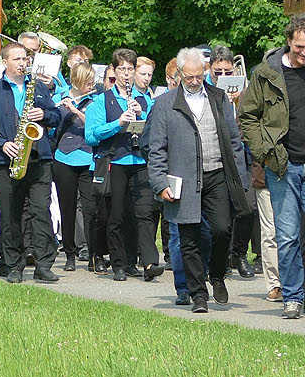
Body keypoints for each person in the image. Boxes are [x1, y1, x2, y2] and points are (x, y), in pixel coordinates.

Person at [239, 14, 305, 320]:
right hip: (281, 165)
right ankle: (292, 296)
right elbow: (248, 117)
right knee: (286, 236)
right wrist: (264, 152)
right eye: (300, 46)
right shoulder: (266, 72)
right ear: (289, 41)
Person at [147, 47, 250, 313]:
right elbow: (156, 148)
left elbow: (234, 142)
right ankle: (198, 294)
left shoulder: (218, 98)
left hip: (217, 174)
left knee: (222, 229)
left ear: (204, 72)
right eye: (189, 77)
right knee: (189, 238)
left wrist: (240, 178)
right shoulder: (165, 104)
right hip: (183, 179)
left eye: (198, 76)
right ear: (179, 74)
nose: (194, 82)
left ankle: (216, 274)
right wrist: (160, 183)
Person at [0, 38, 63, 283]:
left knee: (40, 212)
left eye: (25, 59)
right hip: (6, 161)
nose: (22, 63)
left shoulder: (38, 87)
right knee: (11, 215)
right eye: (17, 59)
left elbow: (57, 116)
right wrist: (2, 143)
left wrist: (45, 114)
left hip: (38, 159)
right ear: (4, 62)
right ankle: (13, 265)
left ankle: (43, 264)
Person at [86, 48, 159, 281]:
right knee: (116, 215)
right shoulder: (102, 100)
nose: (127, 75)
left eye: (130, 69)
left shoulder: (144, 99)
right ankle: (118, 263)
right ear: (114, 71)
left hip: (140, 161)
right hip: (115, 161)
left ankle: (147, 262)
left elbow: (156, 131)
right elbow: (92, 135)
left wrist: (143, 116)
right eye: (122, 69)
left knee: (145, 214)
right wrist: (118, 123)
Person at [210, 47, 258, 279]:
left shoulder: (245, 93)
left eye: (228, 72)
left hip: (243, 157)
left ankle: (239, 253)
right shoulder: (205, 93)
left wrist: (238, 104)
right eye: (217, 71)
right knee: (222, 213)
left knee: (248, 208)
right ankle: (223, 256)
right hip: (217, 159)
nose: (222, 76)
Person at [50, 60, 102, 273]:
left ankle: (94, 254)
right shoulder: (60, 98)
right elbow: (51, 126)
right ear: (78, 81)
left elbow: (93, 125)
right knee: (67, 207)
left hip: (88, 159)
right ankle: (70, 253)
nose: (91, 85)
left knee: (91, 209)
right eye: (88, 82)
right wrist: (60, 109)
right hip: (64, 158)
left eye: (92, 81)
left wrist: (75, 110)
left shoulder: (96, 100)